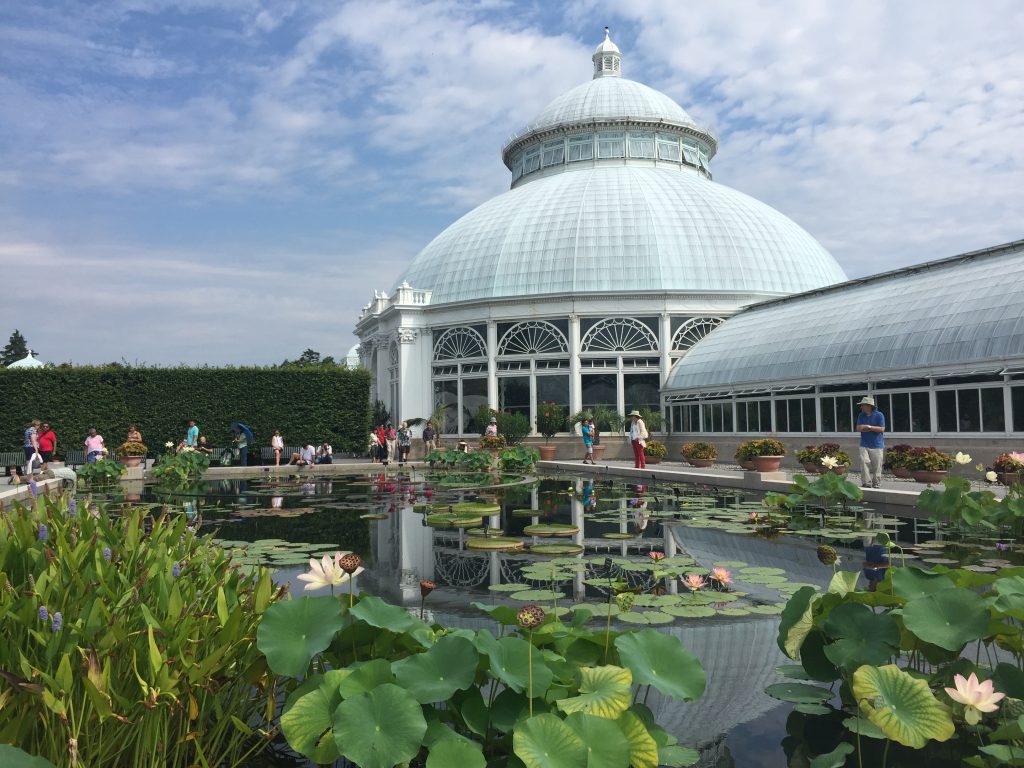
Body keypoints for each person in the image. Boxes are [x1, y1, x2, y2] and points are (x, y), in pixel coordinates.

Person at [856, 396, 886, 488]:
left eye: (863, 405)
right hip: (864, 443)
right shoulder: (861, 415)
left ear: (869, 406)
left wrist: (869, 427)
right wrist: (870, 428)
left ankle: (876, 483)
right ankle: (866, 483)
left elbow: (881, 429)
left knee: (877, 465)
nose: (861, 407)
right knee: (864, 462)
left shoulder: (879, 415)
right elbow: (858, 428)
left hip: (877, 444)